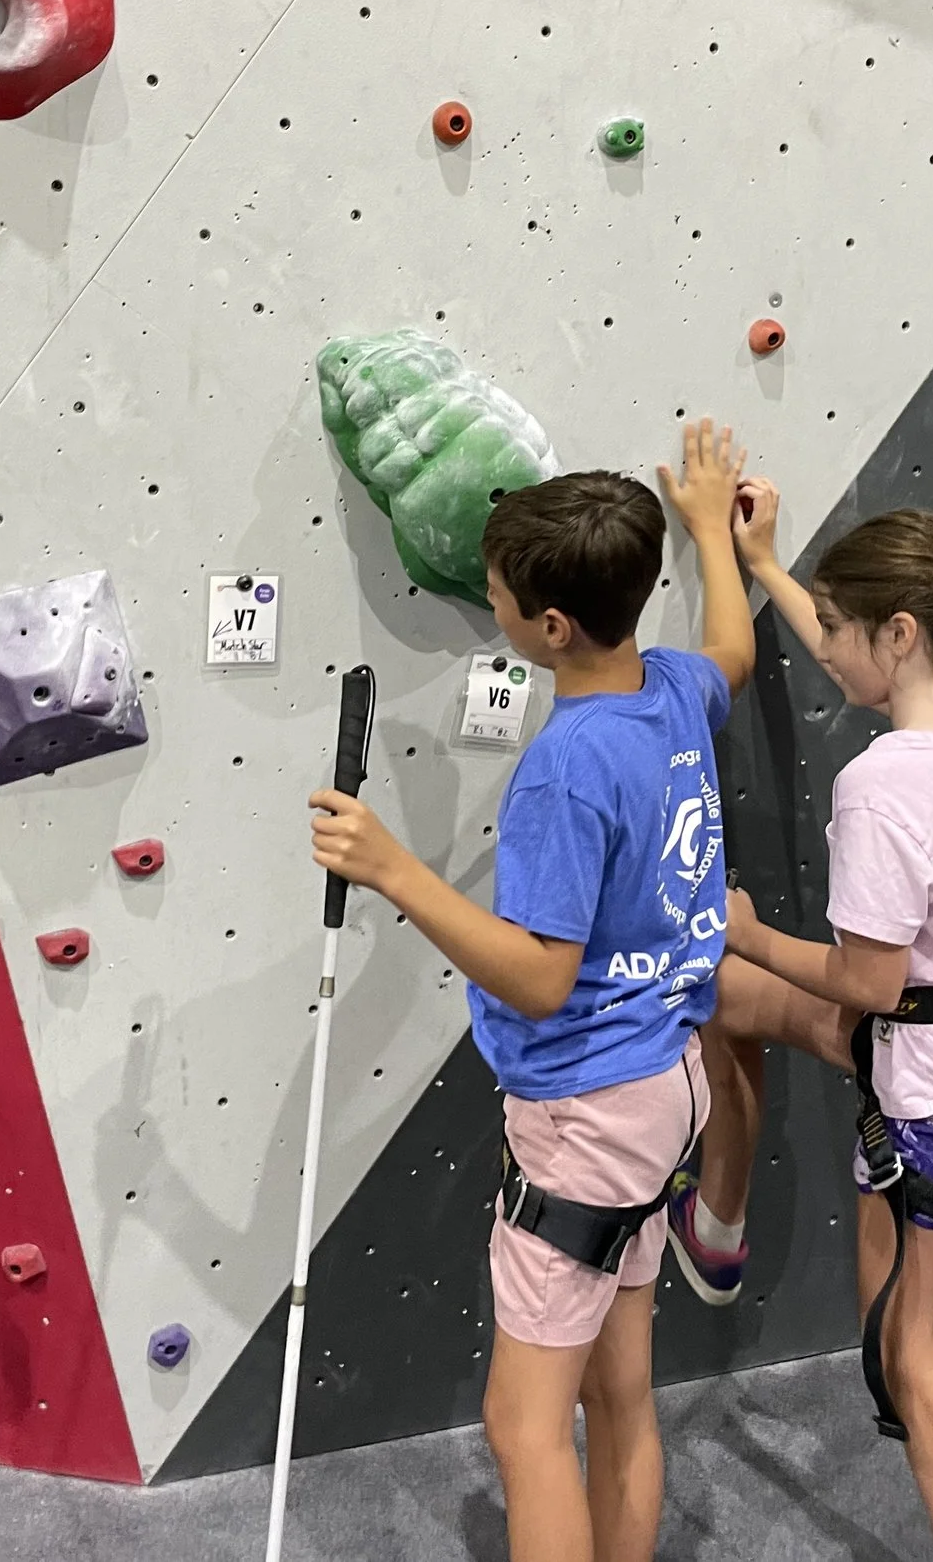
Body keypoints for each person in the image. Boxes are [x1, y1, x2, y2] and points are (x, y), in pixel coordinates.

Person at [307, 423, 753, 1562]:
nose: (492, 609)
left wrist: (392, 868)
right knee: (619, 1395)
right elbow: (732, 657)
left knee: (523, 1424)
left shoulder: (565, 765)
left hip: (588, 1111)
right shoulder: (671, 691)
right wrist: (712, 532)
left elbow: (543, 979)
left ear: (549, 628)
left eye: (498, 597)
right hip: (664, 1085)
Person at [663, 490, 933, 1562]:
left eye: (837, 632)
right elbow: (856, 640)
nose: (823, 652)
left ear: (900, 634)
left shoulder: (879, 785)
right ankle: (721, 1224)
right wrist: (764, 564)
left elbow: (865, 983)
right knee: (719, 999)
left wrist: (742, 929)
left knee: (907, 1352)